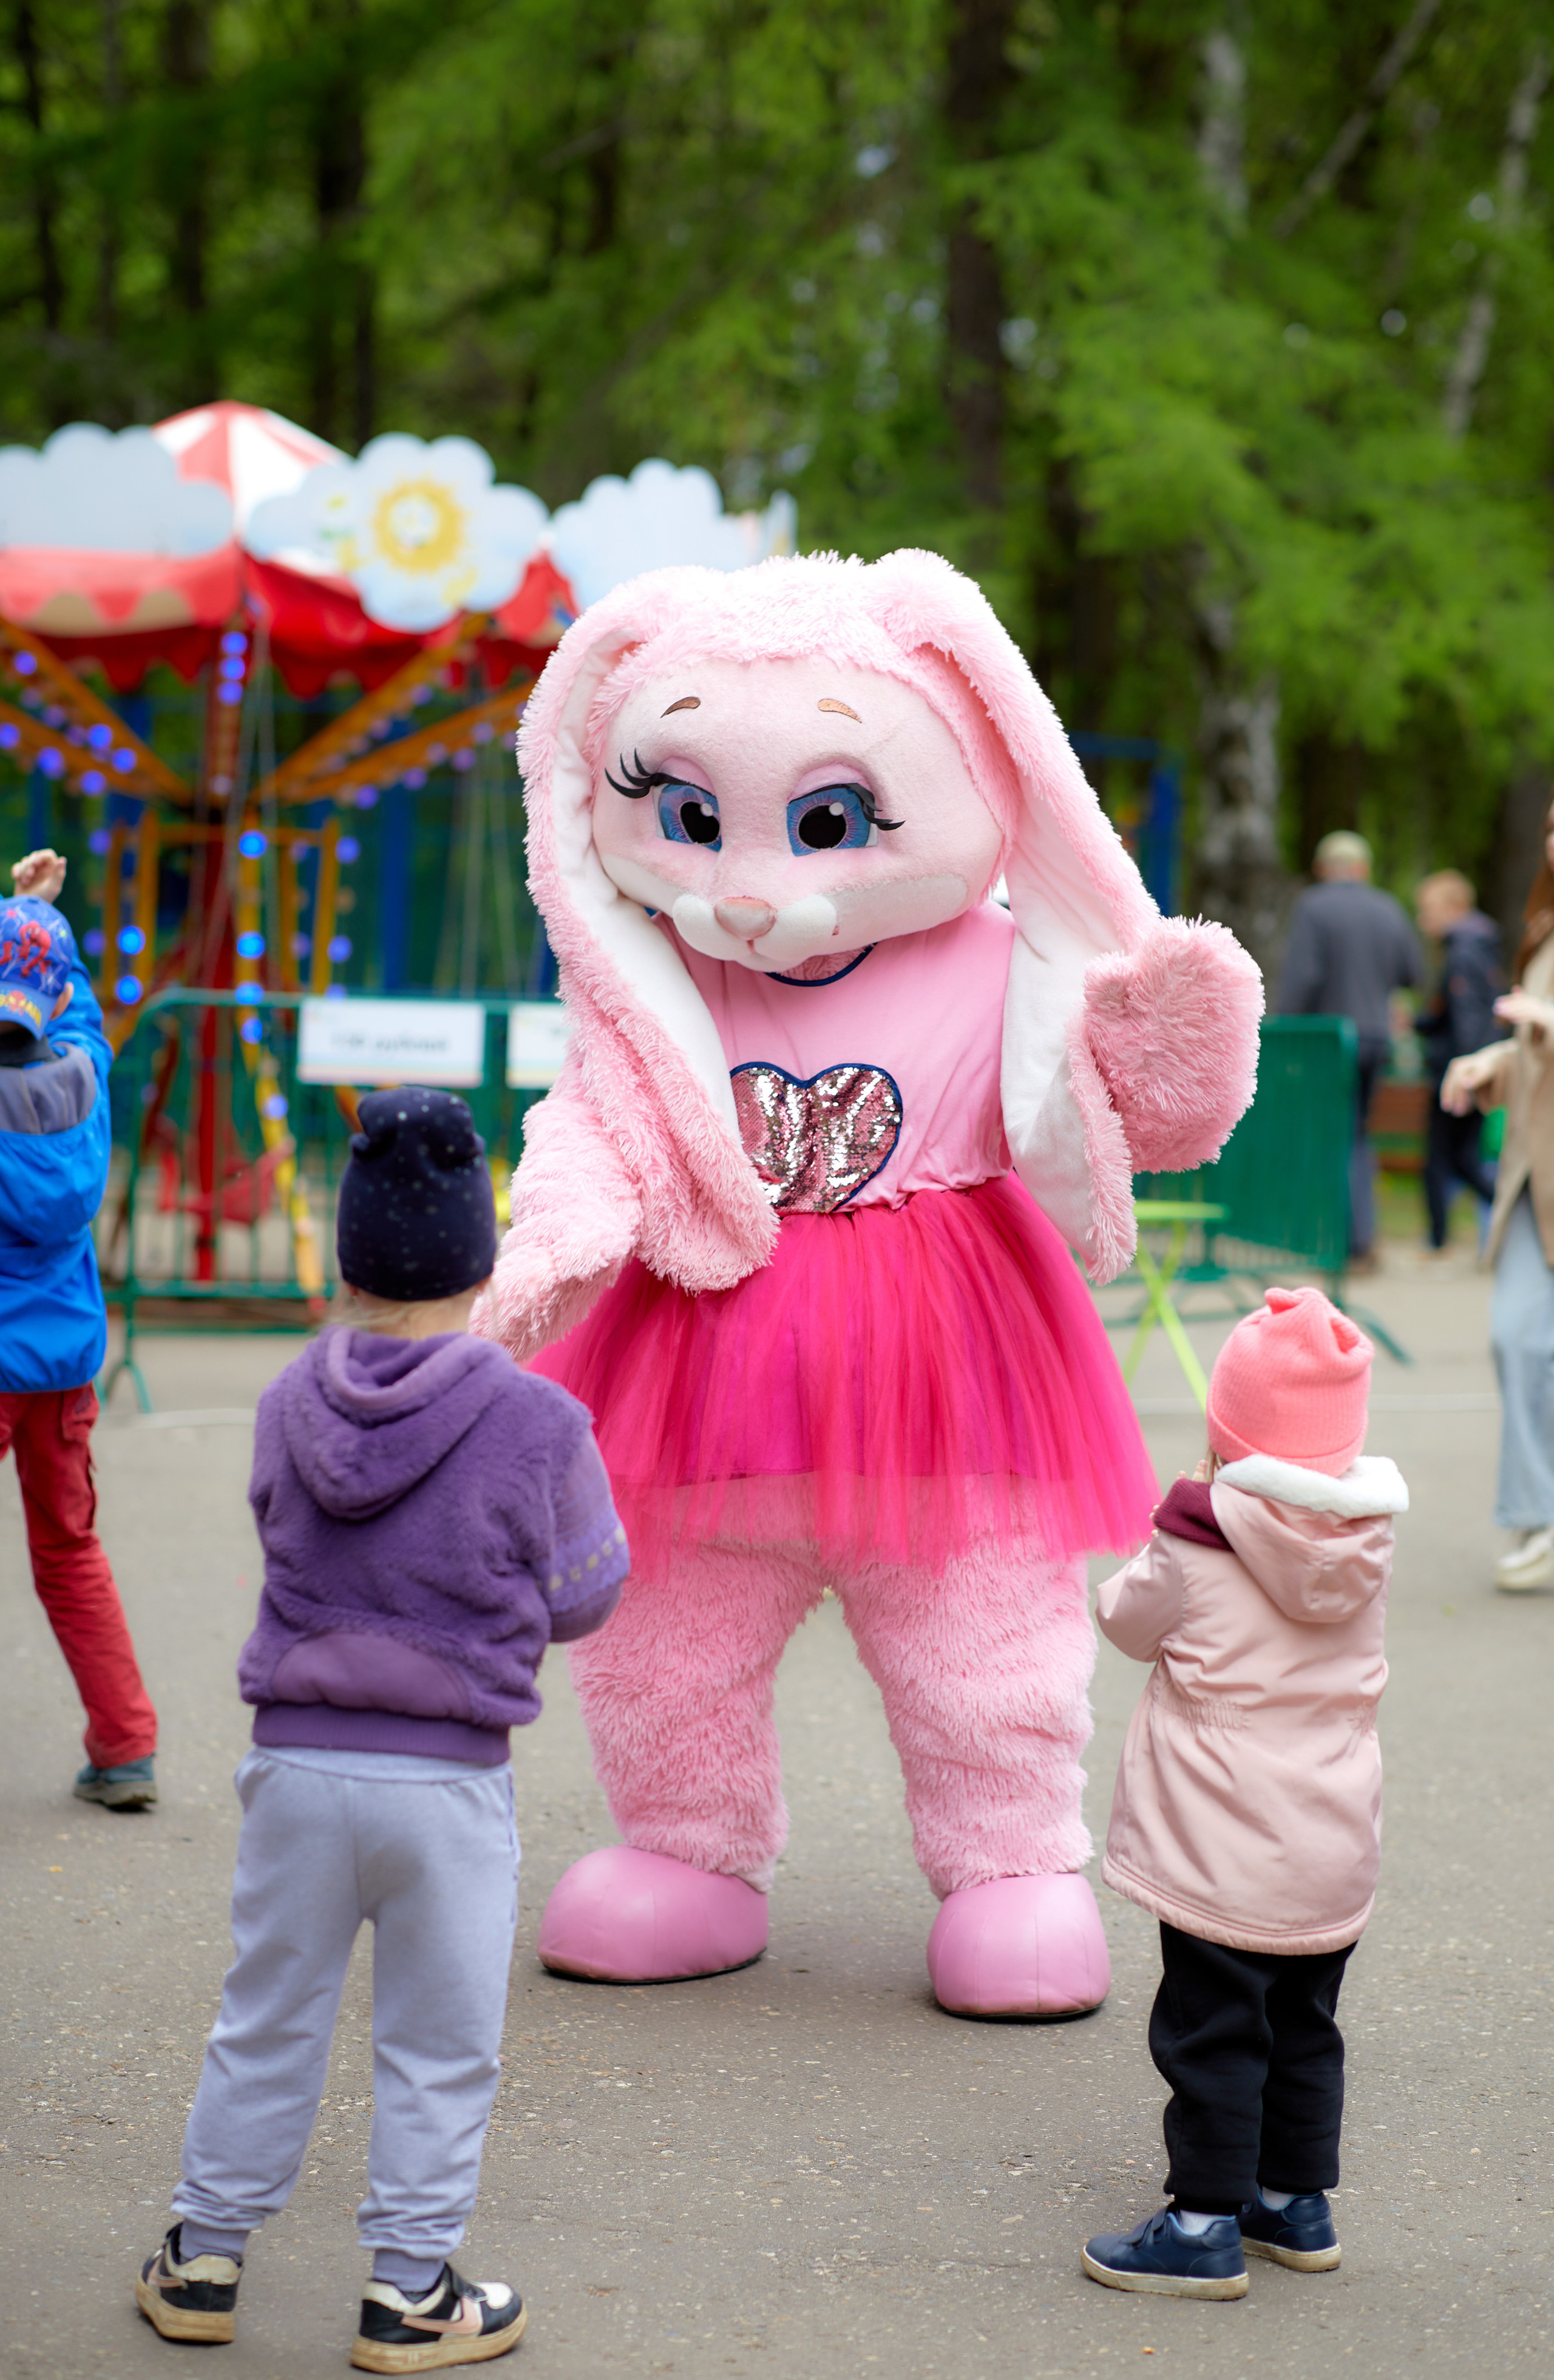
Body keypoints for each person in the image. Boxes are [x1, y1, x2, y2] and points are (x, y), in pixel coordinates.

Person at [135, 1087, 626, 2371]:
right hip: (446, 1781)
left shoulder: (290, 1396)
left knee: (268, 2014)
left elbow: (276, 1528)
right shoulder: (539, 1422)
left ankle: (200, 2256)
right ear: (481, 1256)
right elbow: (587, 1597)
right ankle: (409, 2291)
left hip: (294, 1761)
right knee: (435, 2042)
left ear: (348, 1252)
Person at [1081, 1285, 1405, 2299]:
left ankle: (1201, 2224)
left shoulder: (1193, 1540)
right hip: (1331, 1839)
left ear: (1230, 1430)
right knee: (1306, 2023)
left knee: (1212, 2030)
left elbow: (1127, 1624)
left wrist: (1176, 1511)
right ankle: (1294, 2203)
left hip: (1222, 1843)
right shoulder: (1365, 1544)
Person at [0, 848, 158, 1810]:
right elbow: (81, 1009)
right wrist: (38, 917)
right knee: (69, 1553)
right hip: (63, 1368)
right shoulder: (89, 1073)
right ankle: (126, 1742)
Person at [1441, 792, 1554, 1591]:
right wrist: (1492, 1064)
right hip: (1531, 1177)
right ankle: (1537, 1514)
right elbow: (1534, 1051)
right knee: (1516, 1338)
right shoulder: (1543, 937)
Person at [1278, 830, 1422, 1268]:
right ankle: (1361, 1239)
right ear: (1363, 868)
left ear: (1324, 868)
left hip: (1327, 1040)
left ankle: (1325, 1238)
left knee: (1323, 1135)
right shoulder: (1388, 908)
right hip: (1376, 1038)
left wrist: (1285, 1032)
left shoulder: (1314, 906)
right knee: (1358, 1135)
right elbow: (1412, 973)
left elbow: (1303, 978)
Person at [1414, 870, 1503, 1250]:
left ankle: (1439, 1241)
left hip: (1458, 1071)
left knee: (1444, 1158)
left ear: (1455, 907)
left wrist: (1467, 1072)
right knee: (1461, 1157)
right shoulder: (1479, 946)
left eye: (1429, 910)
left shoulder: (1465, 951)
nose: (1423, 919)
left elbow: (1468, 1018)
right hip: (1468, 1064)